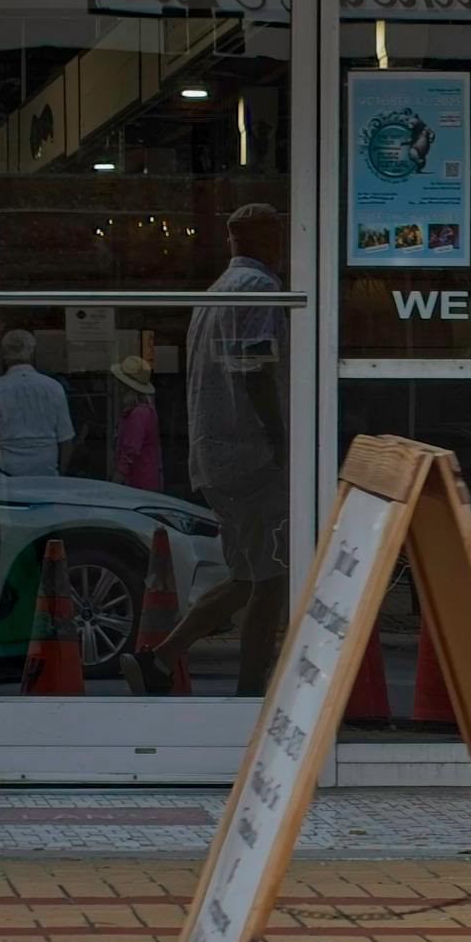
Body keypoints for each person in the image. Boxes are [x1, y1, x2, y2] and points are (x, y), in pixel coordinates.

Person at [123, 203, 291, 698]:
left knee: (247, 577)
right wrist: (282, 438)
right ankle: (250, 694)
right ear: (268, 238)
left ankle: (159, 660)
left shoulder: (216, 291)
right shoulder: (260, 288)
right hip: (253, 455)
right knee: (271, 580)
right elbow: (255, 367)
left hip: (214, 456)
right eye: (278, 235)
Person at [0, 330, 74, 478]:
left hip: (3, 472)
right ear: (32, 353)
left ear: (4, 356)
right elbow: (66, 439)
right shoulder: (54, 388)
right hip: (45, 470)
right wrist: (61, 473)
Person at [111, 356, 165, 492]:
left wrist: (115, 483)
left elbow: (130, 453)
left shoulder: (138, 414)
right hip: (145, 480)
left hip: (138, 483)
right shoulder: (146, 410)